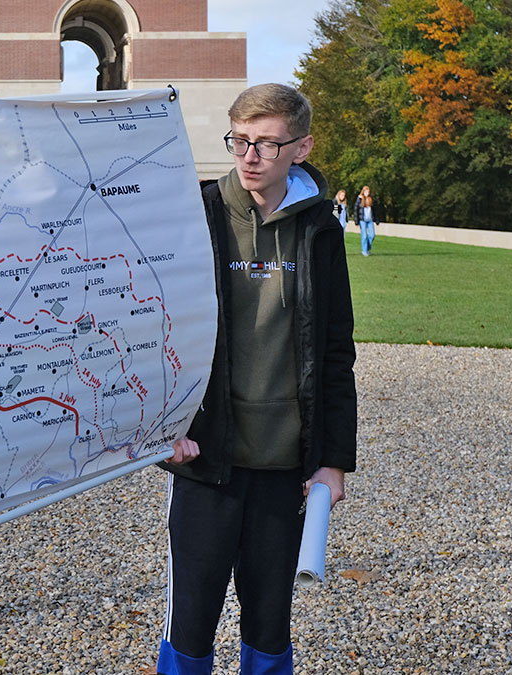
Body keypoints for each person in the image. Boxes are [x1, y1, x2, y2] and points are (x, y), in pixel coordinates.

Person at [157, 83, 357, 675]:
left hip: (285, 465)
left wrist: (332, 459)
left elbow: (335, 349)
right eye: (240, 140)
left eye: (267, 144)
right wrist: (164, 424)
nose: (249, 156)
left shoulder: (321, 227)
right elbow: (154, 328)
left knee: (270, 626)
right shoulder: (195, 212)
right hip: (206, 456)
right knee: (190, 624)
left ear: (301, 147)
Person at [355, 184, 376, 255]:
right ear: (363, 192)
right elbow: (356, 209)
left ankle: (367, 247)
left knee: (372, 235)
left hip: (369, 219)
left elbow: (374, 209)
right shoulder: (360, 199)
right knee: (364, 236)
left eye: (368, 192)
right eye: (365, 192)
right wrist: (356, 220)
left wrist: (377, 219)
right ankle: (364, 251)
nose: (367, 193)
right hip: (362, 220)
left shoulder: (370, 199)